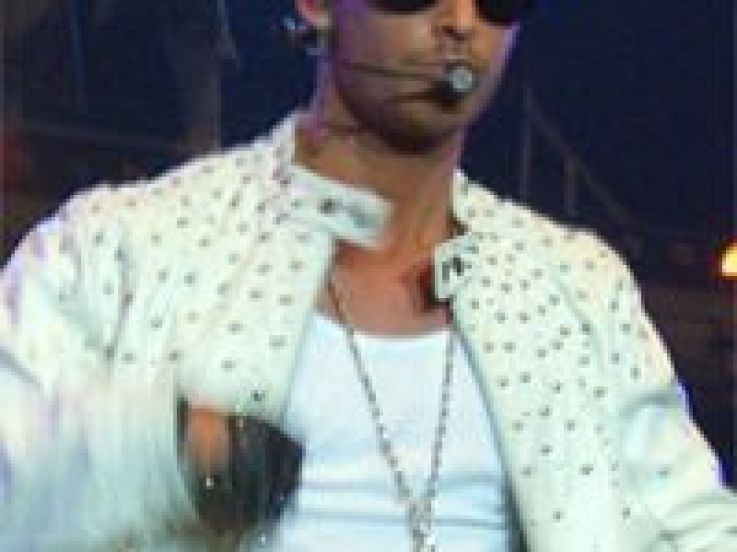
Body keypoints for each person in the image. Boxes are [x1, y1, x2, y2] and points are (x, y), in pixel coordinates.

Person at [1, 0, 736, 550]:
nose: (460, 22)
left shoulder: (575, 290)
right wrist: (166, 455)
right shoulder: (119, 248)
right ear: (317, 4)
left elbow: (688, 529)